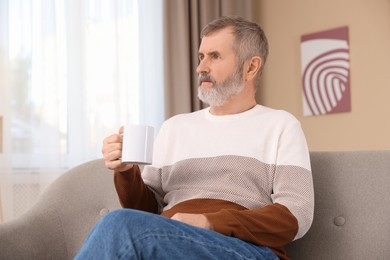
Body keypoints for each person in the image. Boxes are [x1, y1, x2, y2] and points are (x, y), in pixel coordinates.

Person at [75, 15, 314, 260]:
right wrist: (126, 171)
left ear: (251, 67)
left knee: (118, 224)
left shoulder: (281, 125)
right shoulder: (174, 128)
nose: (201, 67)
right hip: (171, 242)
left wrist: (211, 222)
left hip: (244, 249)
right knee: (124, 226)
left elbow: (296, 216)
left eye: (215, 56)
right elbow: (145, 213)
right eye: (201, 57)